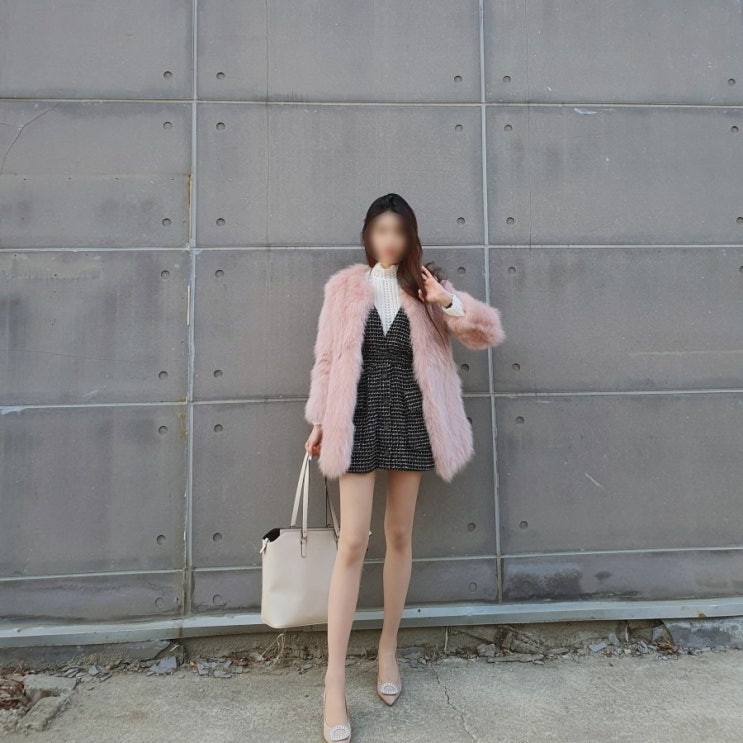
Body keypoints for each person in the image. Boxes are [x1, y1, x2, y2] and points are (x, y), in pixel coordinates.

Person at [304, 192, 506, 742]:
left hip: (412, 415)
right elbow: (327, 360)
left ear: (410, 236)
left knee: (398, 534)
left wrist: (447, 301)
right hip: (358, 414)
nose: (389, 240)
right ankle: (333, 682)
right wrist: (320, 419)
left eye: (398, 231)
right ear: (367, 235)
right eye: (380, 230)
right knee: (353, 541)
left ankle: (388, 650)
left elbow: (485, 334)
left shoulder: (427, 286)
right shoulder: (345, 289)